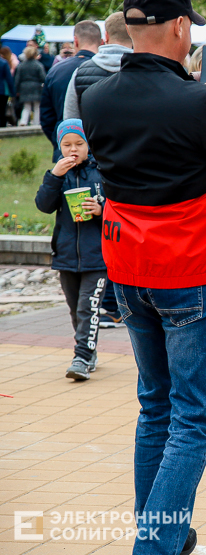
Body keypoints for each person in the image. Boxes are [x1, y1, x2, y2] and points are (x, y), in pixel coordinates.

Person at [81, 0, 206, 555]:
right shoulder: (200, 102)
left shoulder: (96, 96)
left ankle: (162, 532)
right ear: (182, 27)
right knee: (192, 419)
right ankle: (155, 546)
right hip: (189, 271)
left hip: (128, 269)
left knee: (155, 407)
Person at [62, 12, 134, 327]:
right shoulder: (143, 71)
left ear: (105, 38)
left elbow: (69, 123)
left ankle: (103, 304)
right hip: (132, 170)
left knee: (100, 234)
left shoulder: (81, 73)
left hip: (91, 168)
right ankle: (124, 302)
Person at [34, 119, 108, 381]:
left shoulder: (102, 172)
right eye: (67, 145)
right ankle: (89, 350)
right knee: (76, 309)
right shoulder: (59, 174)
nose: (73, 149)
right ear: (59, 146)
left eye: (79, 143)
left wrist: (101, 210)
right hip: (66, 256)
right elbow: (44, 205)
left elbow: (120, 207)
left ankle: (82, 358)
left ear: (89, 145)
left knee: (88, 308)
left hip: (98, 257)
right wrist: (54, 176)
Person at [40, 21, 101, 151]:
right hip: (99, 148)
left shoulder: (55, 71)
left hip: (66, 148)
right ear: (101, 42)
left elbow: (46, 117)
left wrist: (62, 142)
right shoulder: (106, 70)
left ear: (75, 41)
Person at [14, 46, 45, 125]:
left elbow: (17, 79)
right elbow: (43, 77)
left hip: (24, 87)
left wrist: (16, 90)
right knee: (37, 107)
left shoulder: (21, 65)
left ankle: (23, 121)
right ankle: (36, 122)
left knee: (26, 106)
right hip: (36, 87)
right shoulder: (38, 65)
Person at [0, 48, 14, 127]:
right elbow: (9, 78)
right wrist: (13, 92)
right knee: (2, 109)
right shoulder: (3, 62)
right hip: (2, 90)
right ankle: (2, 125)